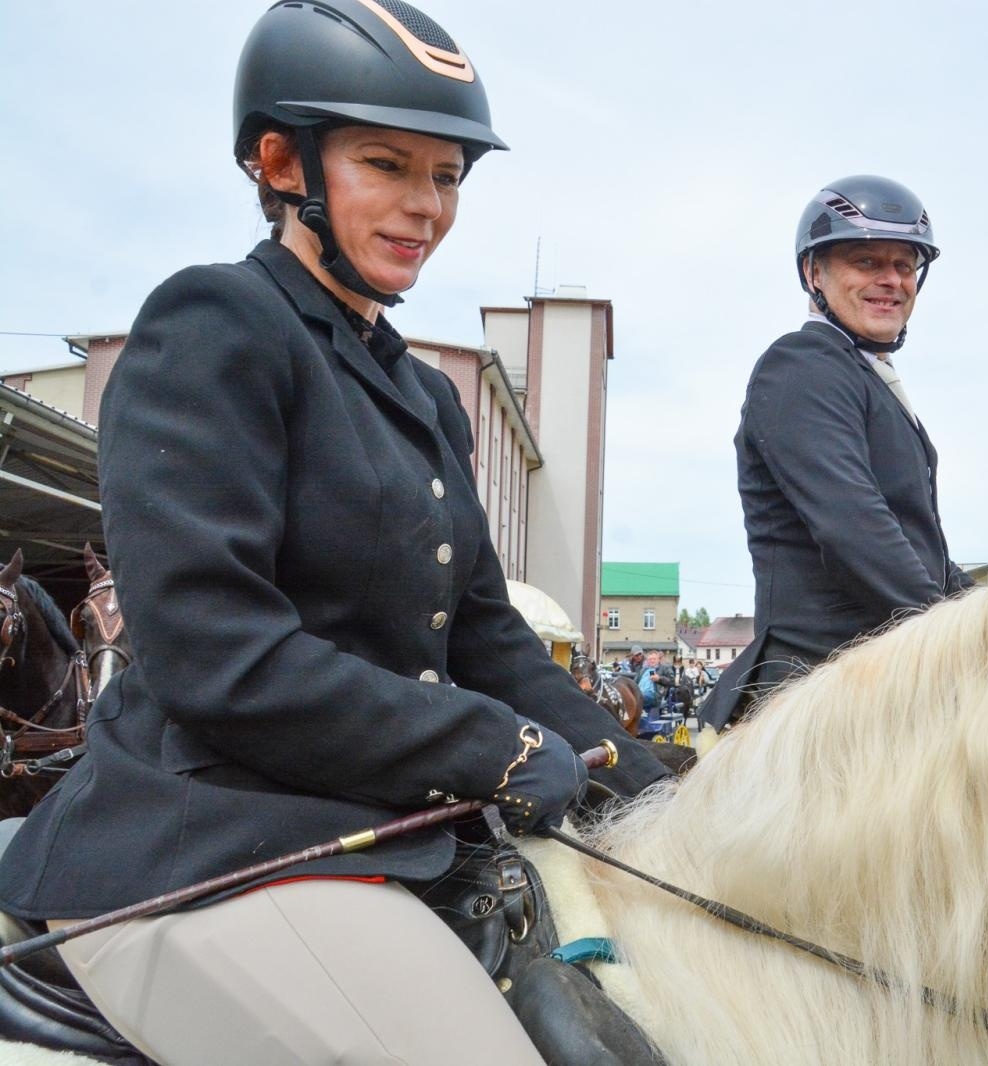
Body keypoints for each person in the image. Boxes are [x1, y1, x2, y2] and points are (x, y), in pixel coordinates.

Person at [0, 3, 667, 1063]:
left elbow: (487, 639)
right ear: (280, 160)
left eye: (446, 175)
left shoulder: (423, 394)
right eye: (388, 165)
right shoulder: (213, 324)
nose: (426, 205)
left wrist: (652, 782)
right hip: (207, 843)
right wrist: (494, 745)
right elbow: (217, 653)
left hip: (385, 828)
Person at [700, 176, 973, 738]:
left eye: (904, 265)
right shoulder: (802, 366)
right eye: (867, 260)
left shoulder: (867, 378)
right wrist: (967, 639)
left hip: (885, 681)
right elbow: (858, 530)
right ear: (813, 273)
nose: (891, 280)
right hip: (815, 696)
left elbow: (928, 558)